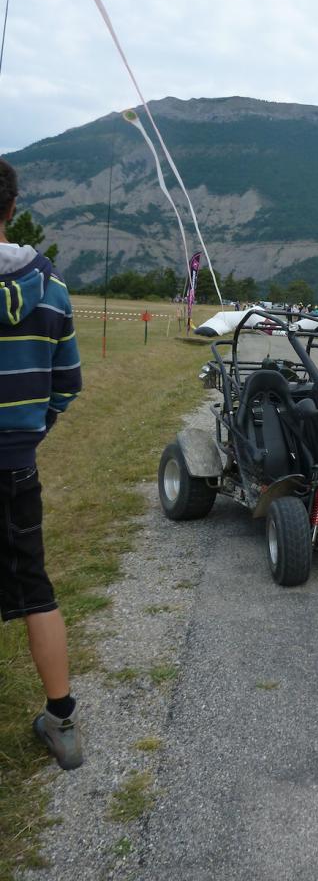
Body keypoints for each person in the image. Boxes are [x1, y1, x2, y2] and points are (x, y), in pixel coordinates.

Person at [0, 158, 83, 770]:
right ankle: (60, 718)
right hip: (16, 467)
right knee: (35, 588)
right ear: (13, 207)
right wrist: (30, 433)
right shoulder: (51, 289)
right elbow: (66, 385)